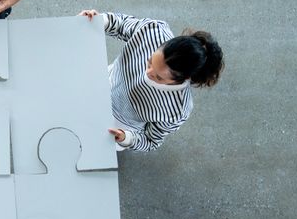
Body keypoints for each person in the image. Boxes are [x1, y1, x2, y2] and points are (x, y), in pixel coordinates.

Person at [80, 10, 224, 151]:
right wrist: (98, 21)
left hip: (116, 124)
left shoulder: (177, 110)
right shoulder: (153, 31)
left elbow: (151, 140)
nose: (147, 73)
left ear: (183, 79)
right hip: (100, 83)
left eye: (159, 77)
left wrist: (126, 138)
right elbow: (120, 24)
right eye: (150, 62)